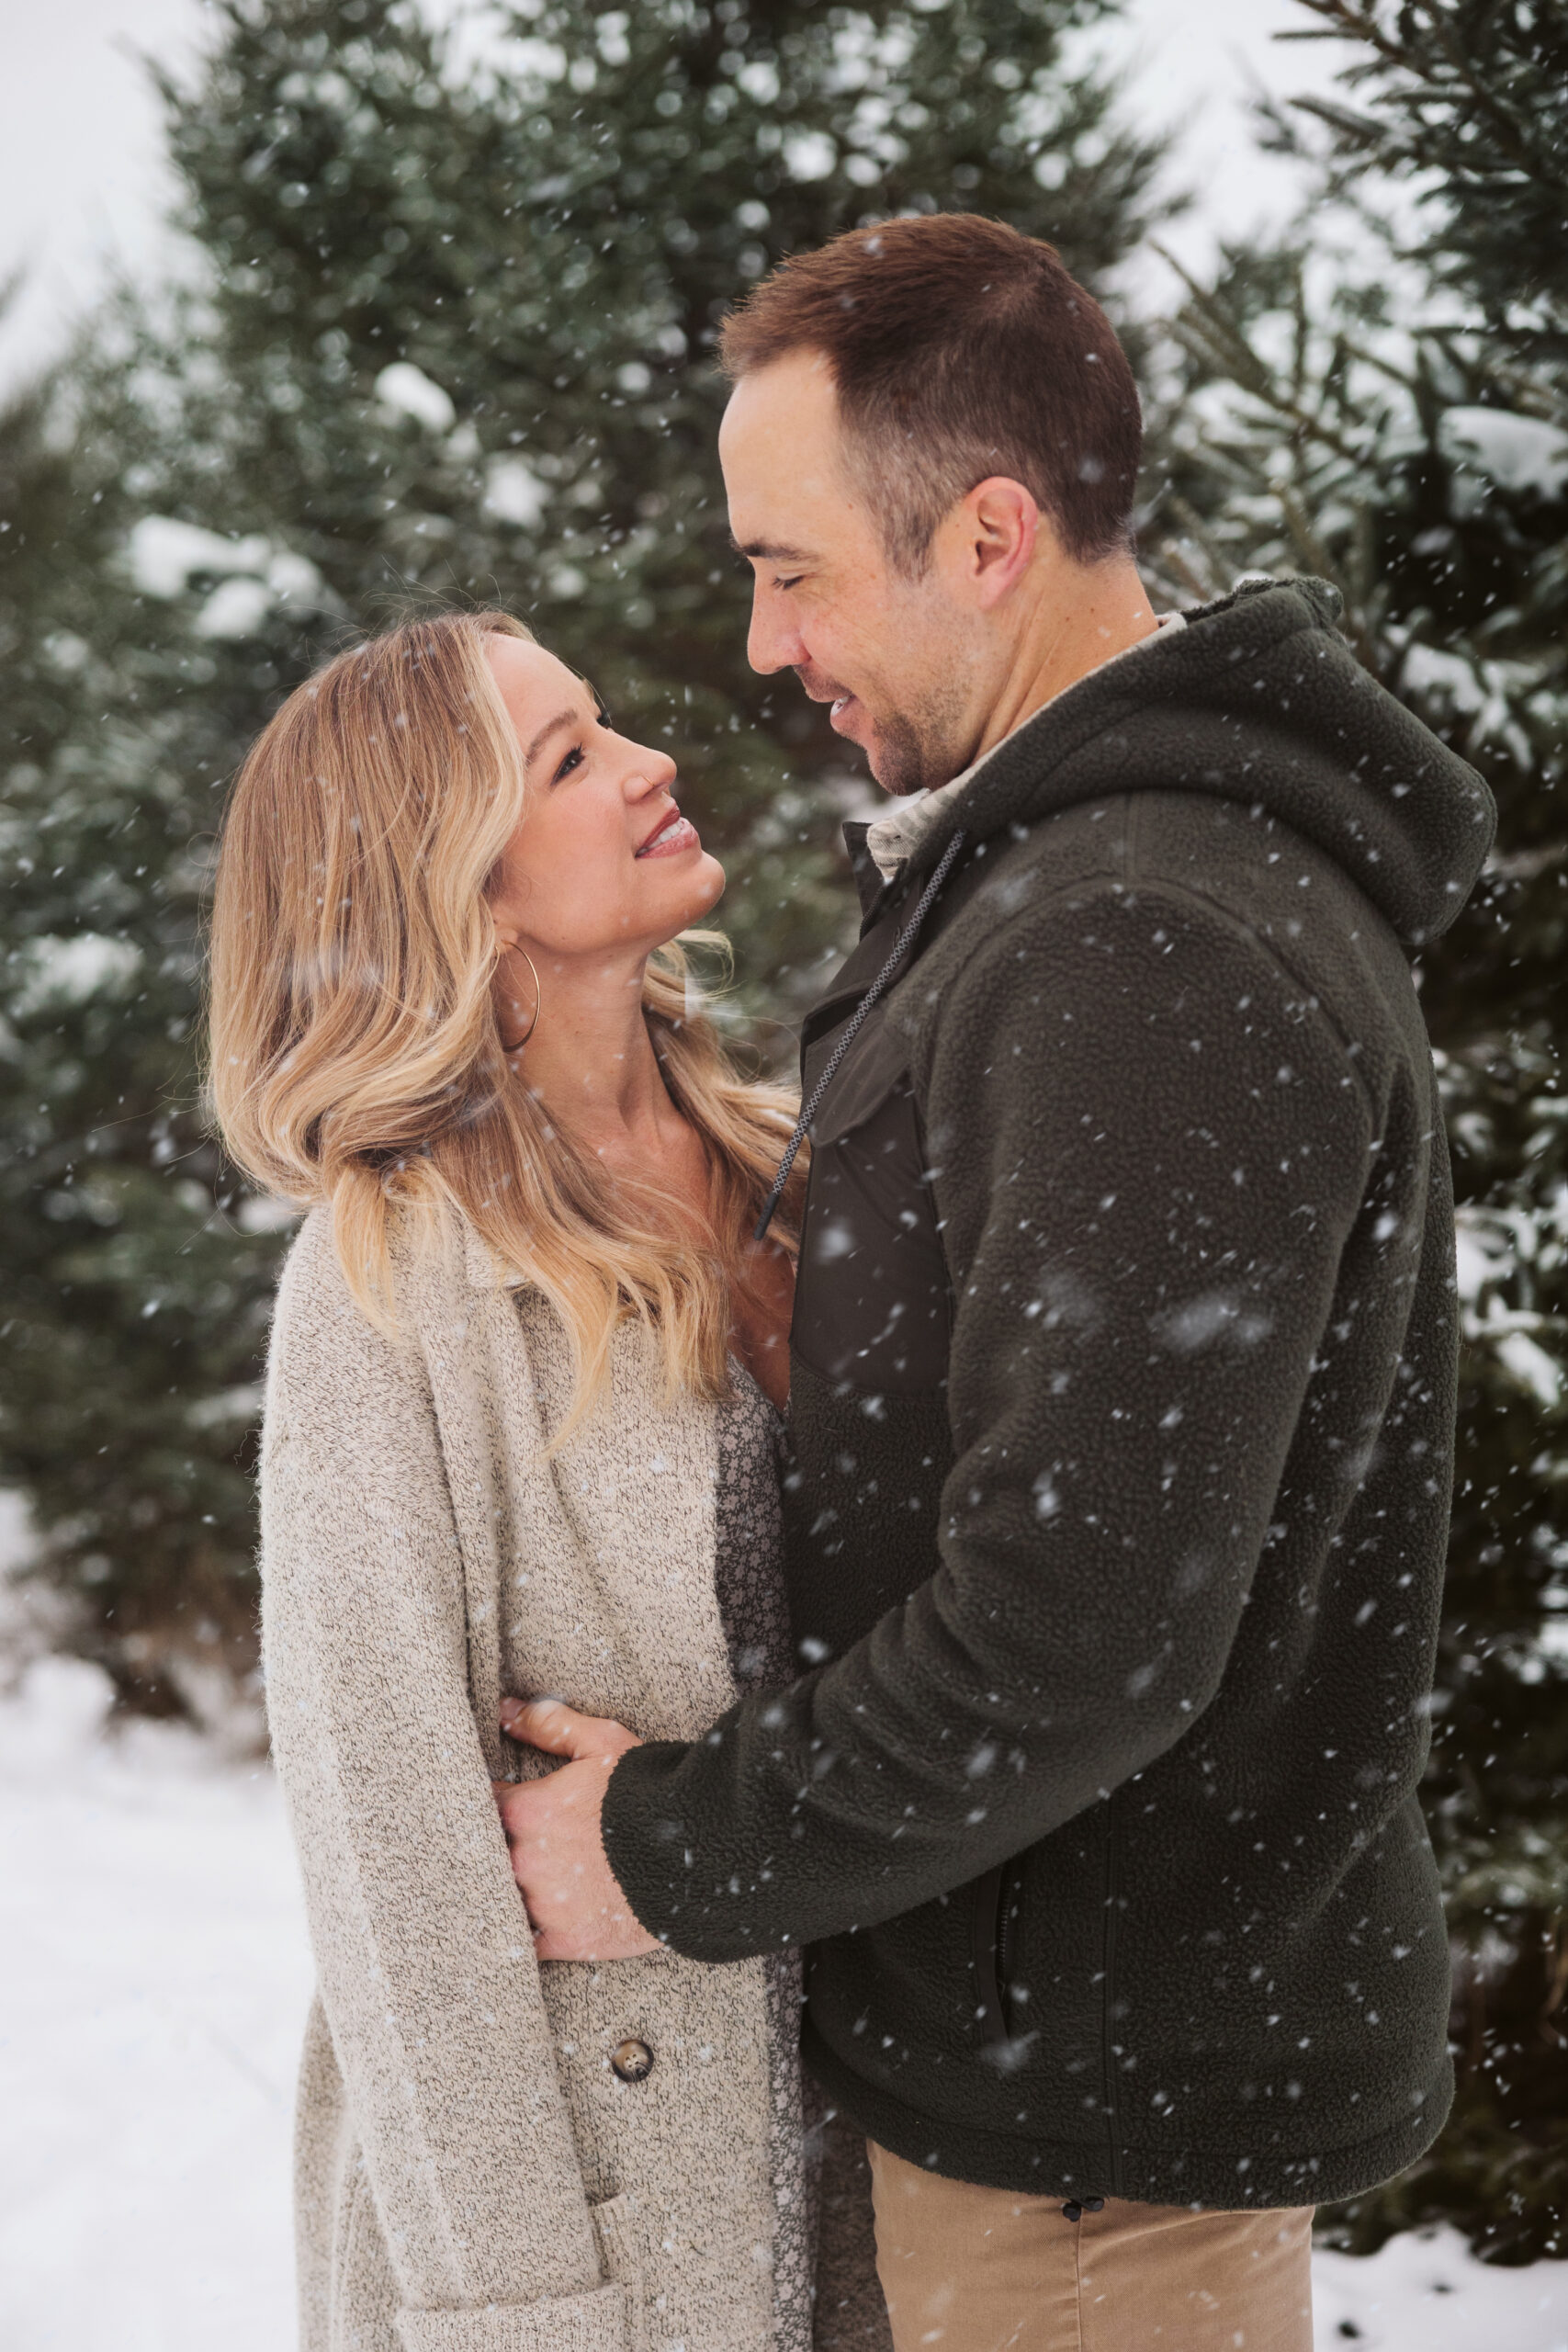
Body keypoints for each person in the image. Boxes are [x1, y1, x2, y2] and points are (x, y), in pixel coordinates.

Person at [494, 215, 1497, 2352]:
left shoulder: (1132, 934)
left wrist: (657, 1852)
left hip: (1084, 2163)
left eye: (788, 566)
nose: (761, 644)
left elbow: (1079, 1628)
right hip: (1062, 2096)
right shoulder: (1072, 885)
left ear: (984, 534)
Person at [207, 610, 891, 2352]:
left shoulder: (784, 1162)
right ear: (454, 879)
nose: (653, 761)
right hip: (601, 2212)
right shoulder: (383, 1277)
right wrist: (518, 2303)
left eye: (608, 727)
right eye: (571, 758)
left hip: (881, 2138)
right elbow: (396, 1864)